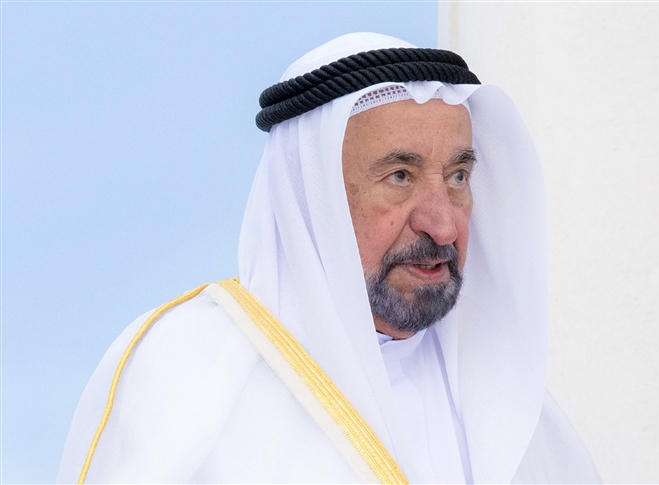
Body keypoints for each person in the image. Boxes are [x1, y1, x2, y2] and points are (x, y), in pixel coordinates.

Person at [58, 32, 601, 484]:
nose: (443, 224)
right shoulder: (187, 374)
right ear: (308, 198)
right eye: (400, 176)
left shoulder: (512, 406)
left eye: (458, 176)